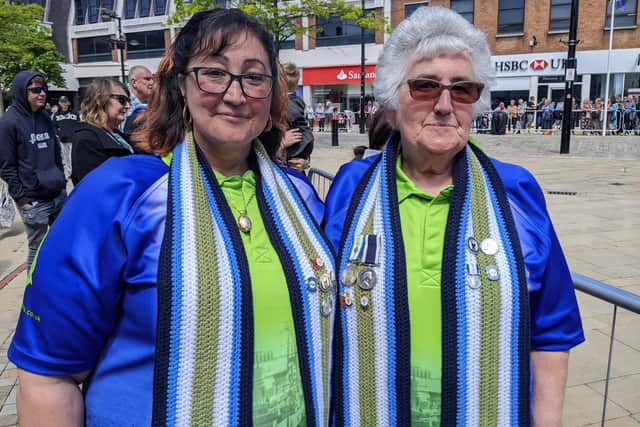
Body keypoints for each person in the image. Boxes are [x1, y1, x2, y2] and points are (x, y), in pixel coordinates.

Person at [9, 9, 334, 427]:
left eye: (254, 77)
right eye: (214, 73)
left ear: (272, 93)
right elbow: (49, 372)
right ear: (182, 83)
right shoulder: (120, 195)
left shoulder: (302, 199)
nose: (235, 94)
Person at [323, 7, 584, 426]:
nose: (444, 105)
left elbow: (550, 329)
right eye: (425, 87)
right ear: (392, 101)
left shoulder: (515, 190)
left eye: (462, 90)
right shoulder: (351, 189)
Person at [0, 71, 66, 269]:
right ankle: (33, 295)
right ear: (21, 92)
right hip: (34, 200)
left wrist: (61, 183)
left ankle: (56, 287)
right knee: (37, 251)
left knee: (61, 244)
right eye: (35, 90)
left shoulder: (45, 117)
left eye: (43, 89)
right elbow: (6, 167)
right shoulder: (9, 123)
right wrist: (23, 200)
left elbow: (56, 154)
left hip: (57, 194)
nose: (42, 94)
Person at [71, 78, 135, 184]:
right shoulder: (86, 139)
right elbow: (94, 186)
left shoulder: (117, 134)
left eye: (129, 101)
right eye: (122, 100)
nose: (128, 106)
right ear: (100, 100)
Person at [280, 62, 314, 173]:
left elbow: (303, 134)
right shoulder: (298, 103)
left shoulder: (284, 105)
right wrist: (281, 145)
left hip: (290, 170)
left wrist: (305, 162)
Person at [123, 65, 154, 141]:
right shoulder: (123, 103)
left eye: (152, 79)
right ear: (134, 83)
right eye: (147, 79)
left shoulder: (152, 102)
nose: (152, 82)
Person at [51, 95, 79, 179]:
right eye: (62, 102)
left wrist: (76, 134)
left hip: (73, 139)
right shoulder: (56, 115)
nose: (64, 104)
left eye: (65, 102)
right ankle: (68, 172)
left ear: (69, 103)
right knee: (65, 158)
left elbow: (79, 124)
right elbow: (54, 126)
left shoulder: (74, 113)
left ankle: (74, 172)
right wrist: (58, 134)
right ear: (59, 103)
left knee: (72, 157)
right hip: (62, 139)